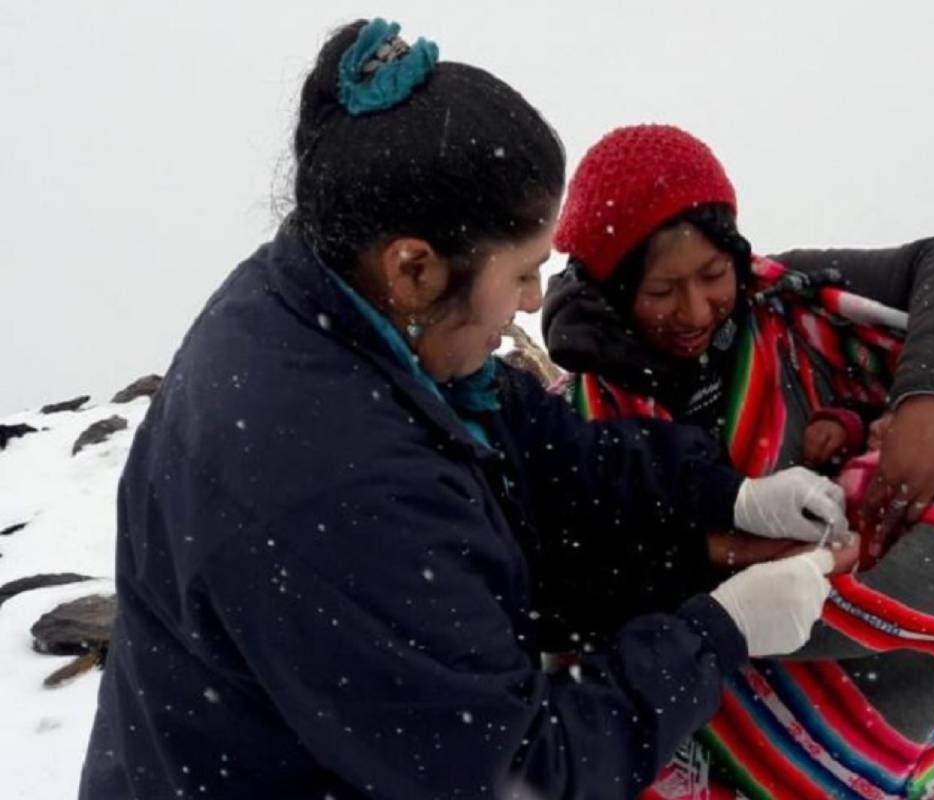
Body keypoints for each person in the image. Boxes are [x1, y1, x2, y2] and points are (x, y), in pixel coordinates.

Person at [77, 23, 855, 799]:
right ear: (415, 267)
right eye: (520, 273)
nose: (533, 301)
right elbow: (517, 777)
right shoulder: (341, 490)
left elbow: (537, 447)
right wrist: (716, 637)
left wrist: (726, 494)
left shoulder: (332, 299)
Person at [542, 124, 934, 798]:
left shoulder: (784, 302)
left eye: (713, 275)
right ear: (616, 290)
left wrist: (931, 400)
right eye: (661, 291)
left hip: (879, 671)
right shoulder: (574, 418)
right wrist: (726, 564)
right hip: (709, 671)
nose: (696, 308)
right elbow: (569, 586)